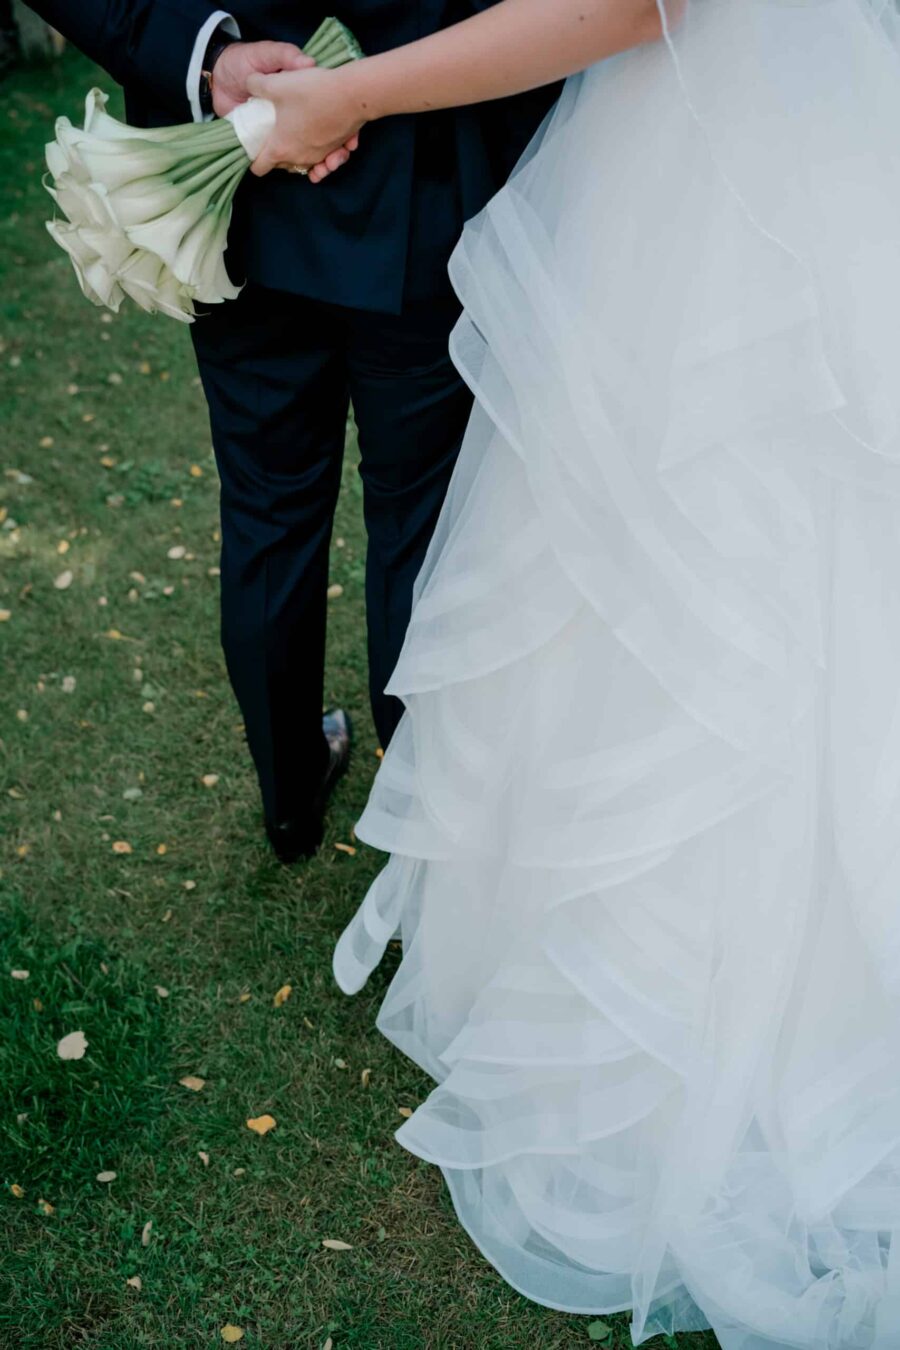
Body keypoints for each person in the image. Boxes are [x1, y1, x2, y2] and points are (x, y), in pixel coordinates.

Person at [248, 1, 900, 1345]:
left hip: (715, 187)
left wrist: (348, 93)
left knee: (709, 563)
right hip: (764, 139)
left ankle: (708, 1015)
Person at [26, 0, 559, 862]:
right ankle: (420, 828)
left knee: (271, 511)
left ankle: (290, 797)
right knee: (417, 526)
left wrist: (202, 53)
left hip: (259, 190)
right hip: (409, 174)